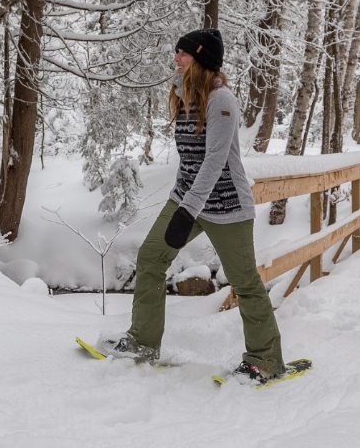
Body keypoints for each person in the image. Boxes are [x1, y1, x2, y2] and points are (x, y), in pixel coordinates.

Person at [99, 28, 286, 383]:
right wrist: (181, 202)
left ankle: (265, 361)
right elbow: (189, 160)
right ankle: (142, 342)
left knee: (245, 281)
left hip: (227, 206)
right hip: (187, 198)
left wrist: (187, 211)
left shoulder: (221, 99)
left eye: (183, 53)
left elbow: (214, 160)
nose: (176, 58)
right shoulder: (185, 95)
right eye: (177, 52)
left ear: (201, 60)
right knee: (151, 257)